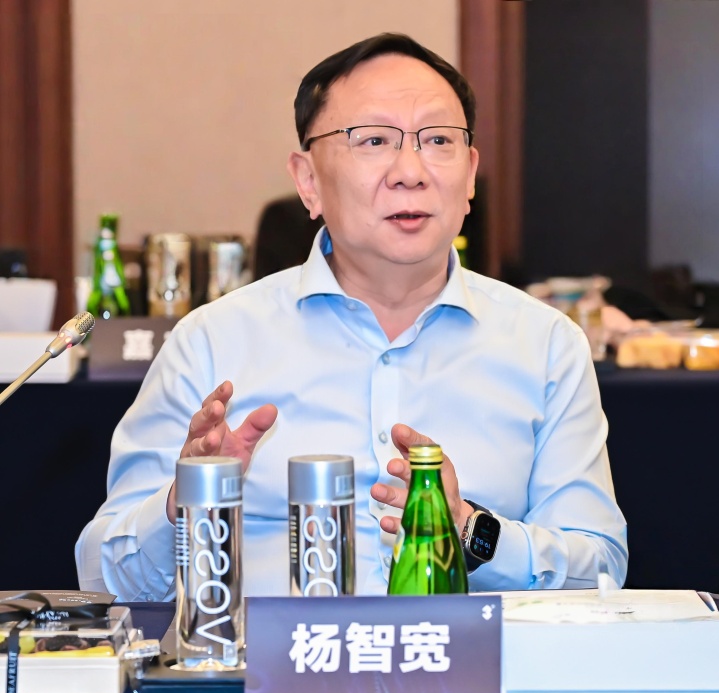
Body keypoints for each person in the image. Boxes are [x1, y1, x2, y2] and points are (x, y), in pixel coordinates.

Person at [76, 32, 627, 601]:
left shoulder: (546, 345)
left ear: (469, 176)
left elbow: (601, 570)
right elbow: (102, 575)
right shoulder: (211, 343)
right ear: (308, 181)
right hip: (265, 660)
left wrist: (469, 531)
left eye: (438, 140)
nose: (410, 171)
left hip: (469, 659)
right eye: (374, 140)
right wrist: (187, 499)